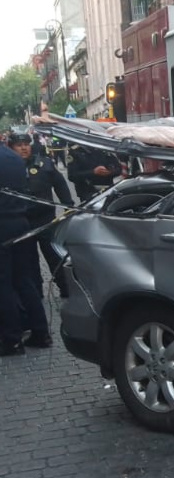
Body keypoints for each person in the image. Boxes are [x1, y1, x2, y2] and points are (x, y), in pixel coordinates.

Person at [0, 141, 51, 355]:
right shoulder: (12, 157)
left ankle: (12, 340)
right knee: (24, 280)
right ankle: (41, 332)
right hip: (20, 222)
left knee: (3, 285)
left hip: (2, 224)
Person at [9, 133, 74, 298]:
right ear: (11, 147)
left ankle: (66, 291)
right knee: (28, 262)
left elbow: (60, 184)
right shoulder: (7, 167)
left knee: (55, 257)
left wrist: (68, 205)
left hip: (46, 220)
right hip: (23, 222)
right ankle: (35, 294)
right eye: (19, 145)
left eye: (26, 144)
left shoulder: (44, 163)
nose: (24, 148)